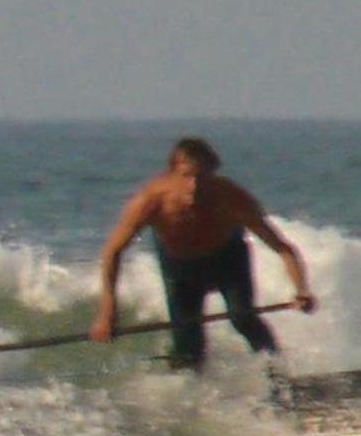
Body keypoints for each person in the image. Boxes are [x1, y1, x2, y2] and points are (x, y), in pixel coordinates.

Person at [89, 137, 316, 369]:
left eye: (202, 177)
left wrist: (302, 290)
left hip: (227, 260)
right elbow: (112, 252)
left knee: (242, 317)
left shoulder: (232, 198)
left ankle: (279, 378)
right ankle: (189, 397)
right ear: (173, 173)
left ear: (213, 173)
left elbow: (282, 248)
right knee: (188, 345)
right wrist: (107, 311)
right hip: (179, 268)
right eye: (186, 176)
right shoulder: (150, 201)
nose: (194, 187)